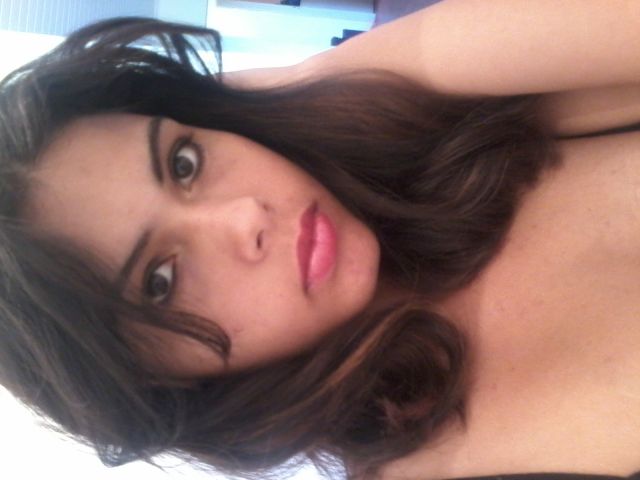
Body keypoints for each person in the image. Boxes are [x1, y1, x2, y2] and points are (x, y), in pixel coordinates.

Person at [1, 1, 640, 479]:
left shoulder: (425, 107)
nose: (243, 216)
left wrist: (307, 83)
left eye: (184, 162)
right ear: (161, 386)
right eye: (160, 281)